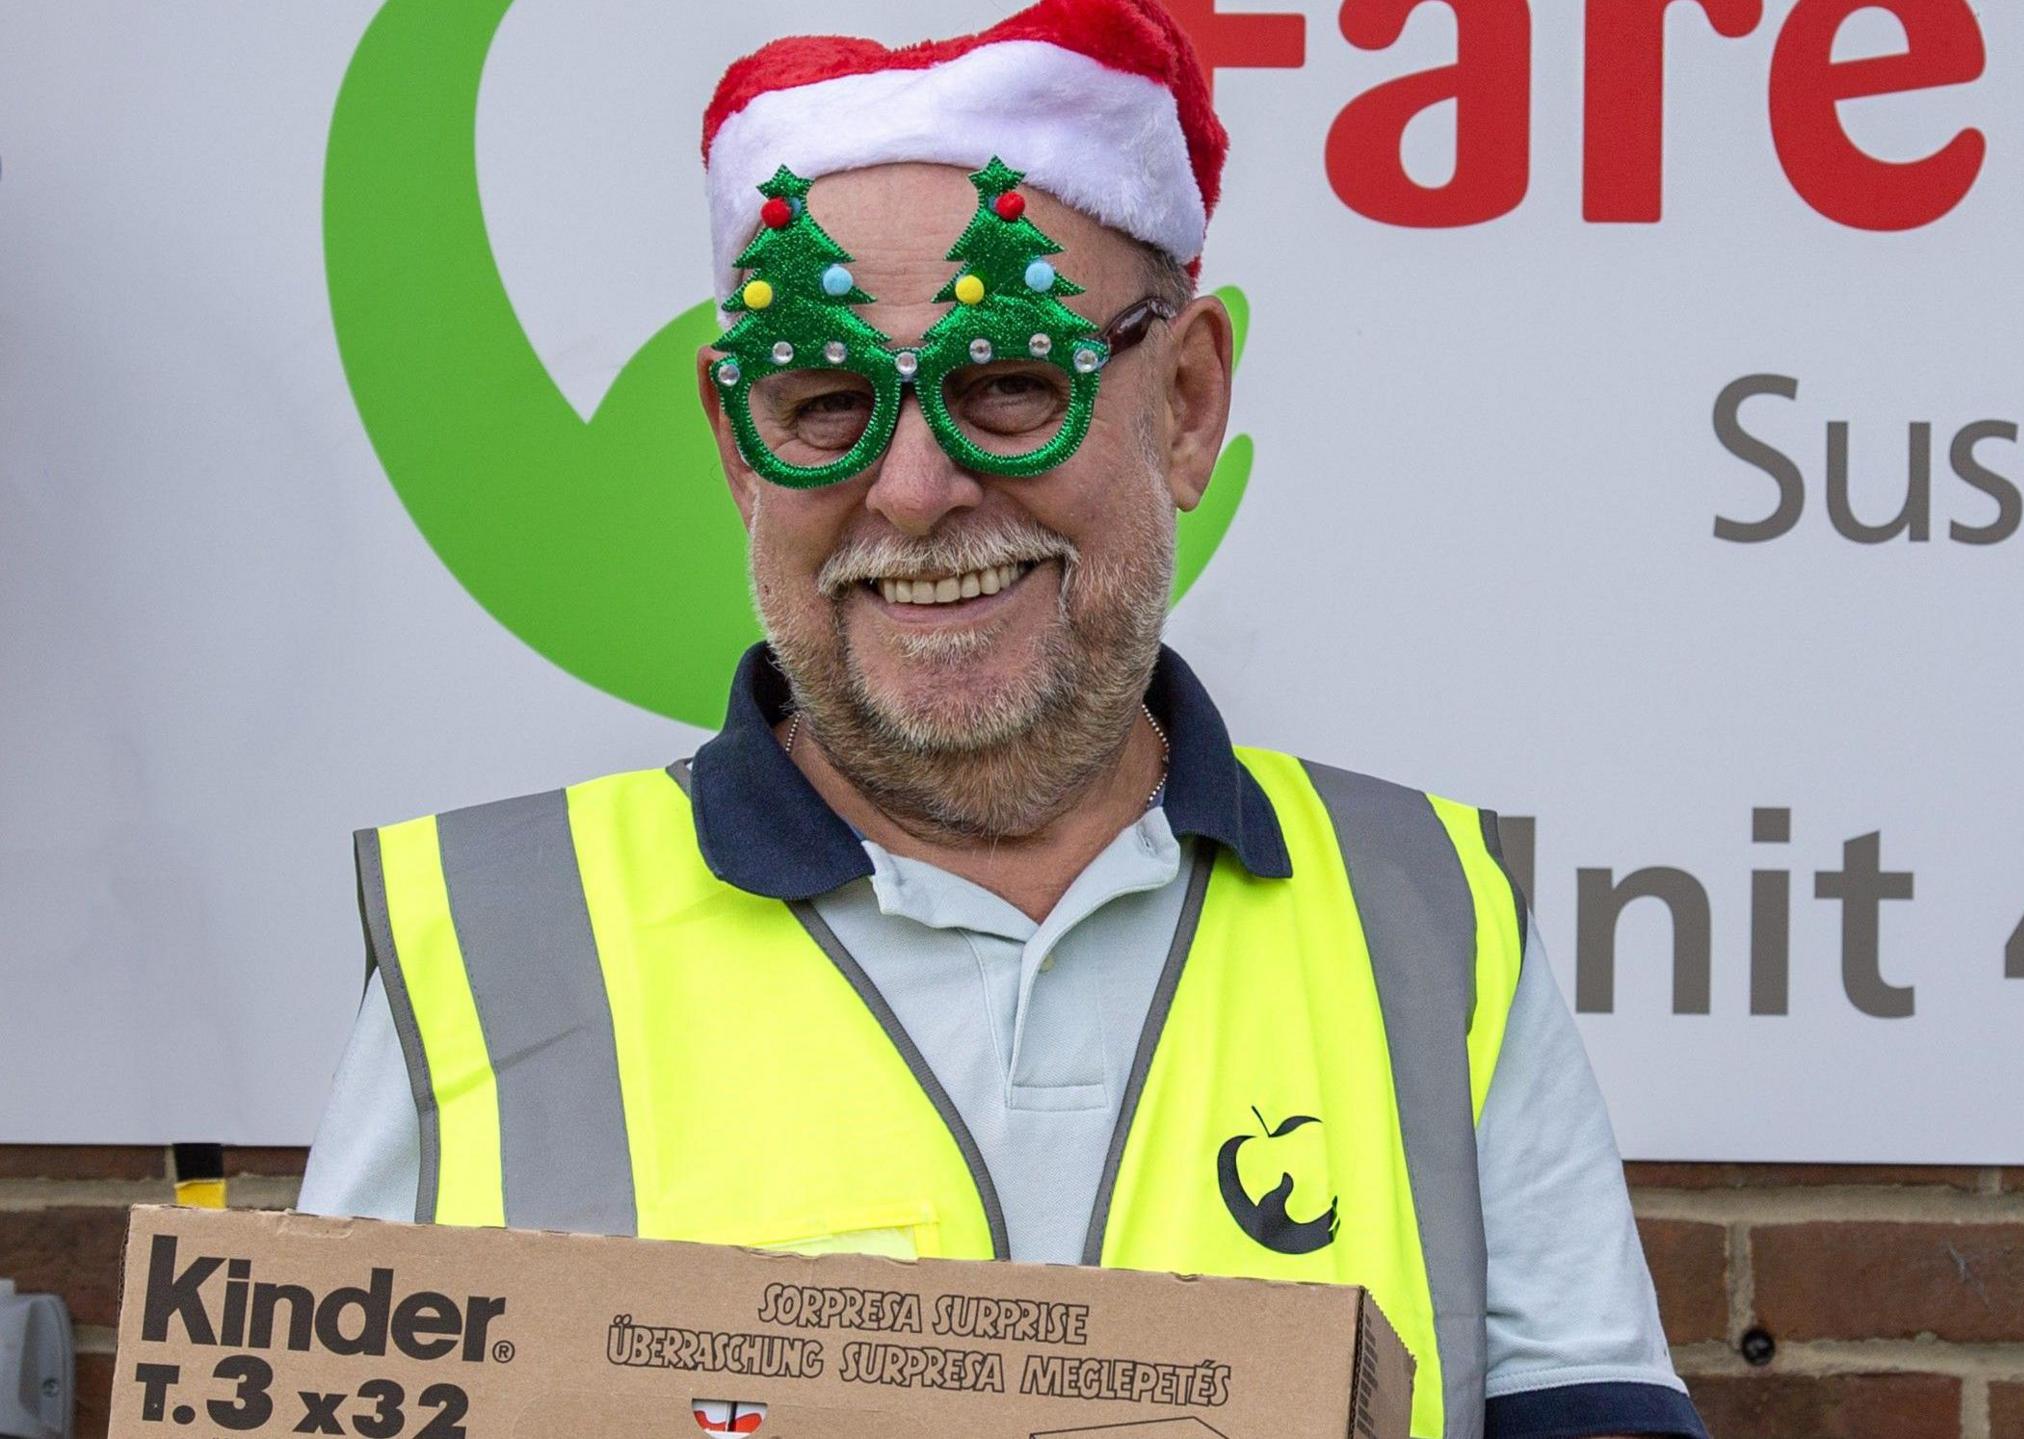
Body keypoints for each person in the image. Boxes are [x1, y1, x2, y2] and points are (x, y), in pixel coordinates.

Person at [298, 4, 1705, 1436]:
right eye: (828, 400)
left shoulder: (1428, 924)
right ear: (737, 447)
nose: (913, 491)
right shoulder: (482, 947)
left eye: (1012, 384)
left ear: (1189, 402)